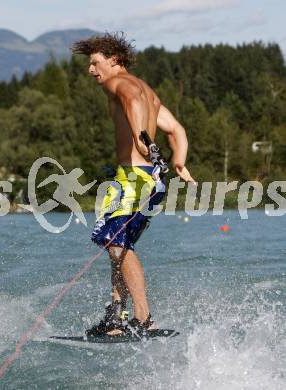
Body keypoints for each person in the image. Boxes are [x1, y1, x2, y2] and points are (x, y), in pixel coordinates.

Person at [72, 32, 195, 336]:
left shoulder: (120, 83)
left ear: (114, 60)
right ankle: (117, 316)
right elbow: (176, 129)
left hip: (136, 179)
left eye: (95, 62)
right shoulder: (150, 93)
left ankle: (143, 318)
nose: (91, 70)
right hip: (143, 179)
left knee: (114, 241)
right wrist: (179, 161)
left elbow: (129, 99)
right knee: (118, 247)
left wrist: (144, 142)